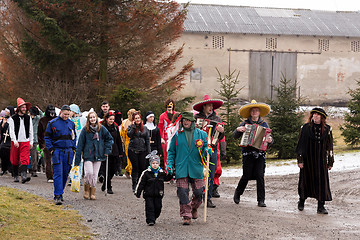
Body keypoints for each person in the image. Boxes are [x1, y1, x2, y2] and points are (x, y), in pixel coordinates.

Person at [166, 112, 210, 225]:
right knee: (182, 192)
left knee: (199, 192)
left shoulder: (202, 135)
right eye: (184, 120)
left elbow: (205, 149)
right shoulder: (177, 135)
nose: (185, 122)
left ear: (192, 122)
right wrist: (169, 164)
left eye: (188, 120)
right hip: (181, 167)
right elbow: (171, 152)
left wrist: (207, 151)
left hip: (196, 167)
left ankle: (193, 207)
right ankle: (186, 215)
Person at [233, 100, 273, 207]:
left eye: (256, 111)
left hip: (260, 154)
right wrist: (238, 130)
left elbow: (268, 139)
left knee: (260, 176)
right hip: (248, 153)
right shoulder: (245, 124)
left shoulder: (264, 124)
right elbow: (235, 136)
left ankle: (261, 200)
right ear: (250, 113)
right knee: (246, 175)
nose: (255, 112)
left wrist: (270, 141)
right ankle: (238, 193)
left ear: (259, 112)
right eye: (253, 111)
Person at [296, 107, 334, 214]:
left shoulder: (327, 129)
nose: (315, 116)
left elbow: (329, 147)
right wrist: (300, 160)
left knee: (322, 182)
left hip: (320, 160)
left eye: (318, 115)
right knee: (305, 181)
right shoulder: (305, 128)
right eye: (314, 114)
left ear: (322, 117)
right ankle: (301, 201)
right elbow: (300, 145)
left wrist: (330, 161)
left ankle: (321, 206)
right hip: (308, 159)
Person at [193, 95, 225, 208]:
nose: (211, 107)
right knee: (198, 173)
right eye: (209, 105)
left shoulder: (217, 119)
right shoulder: (196, 118)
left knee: (211, 173)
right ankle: (197, 195)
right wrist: (195, 127)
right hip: (199, 149)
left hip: (212, 149)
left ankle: (208, 197)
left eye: (212, 105)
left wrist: (221, 131)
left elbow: (220, 138)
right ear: (204, 106)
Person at [74, 111, 113, 200]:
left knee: (95, 175)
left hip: (98, 155)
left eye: (94, 117)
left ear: (96, 118)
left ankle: (92, 192)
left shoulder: (101, 129)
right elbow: (80, 144)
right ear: (88, 119)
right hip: (88, 155)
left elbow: (109, 139)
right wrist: (77, 159)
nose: (92, 119)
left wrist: (107, 149)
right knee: (89, 173)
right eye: (90, 118)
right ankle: (86, 190)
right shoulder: (85, 130)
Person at [45, 105, 77, 205]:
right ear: (60, 113)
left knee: (65, 173)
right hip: (57, 151)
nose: (66, 116)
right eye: (65, 114)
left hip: (68, 151)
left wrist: (73, 147)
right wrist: (51, 148)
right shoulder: (52, 123)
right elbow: (47, 137)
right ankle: (57, 195)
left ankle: (61, 192)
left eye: (68, 114)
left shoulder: (71, 124)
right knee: (58, 173)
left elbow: (74, 136)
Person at [135, 150, 171, 226]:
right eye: (153, 163)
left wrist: (171, 173)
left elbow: (167, 178)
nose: (155, 165)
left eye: (156, 163)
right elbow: (141, 183)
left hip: (158, 194)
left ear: (159, 164)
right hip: (148, 194)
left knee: (158, 207)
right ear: (150, 164)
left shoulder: (161, 173)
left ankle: (154, 217)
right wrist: (138, 192)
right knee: (150, 207)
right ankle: (150, 220)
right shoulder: (146, 173)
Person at [8, 98, 33, 184]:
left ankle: (24, 176)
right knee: (14, 159)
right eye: (22, 107)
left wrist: (31, 141)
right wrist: (14, 140)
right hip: (16, 141)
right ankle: (15, 175)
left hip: (25, 141)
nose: (24, 109)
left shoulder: (28, 118)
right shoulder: (13, 118)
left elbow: (31, 130)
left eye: (25, 107)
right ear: (19, 108)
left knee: (25, 158)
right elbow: (11, 131)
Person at [127, 111, 151, 192]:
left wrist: (149, 152)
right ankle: (134, 184)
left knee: (142, 168)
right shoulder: (131, 127)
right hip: (133, 150)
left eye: (138, 118)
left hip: (143, 150)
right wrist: (134, 127)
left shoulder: (145, 128)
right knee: (135, 167)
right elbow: (129, 135)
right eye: (136, 118)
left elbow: (147, 140)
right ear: (133, 120)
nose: (137, 120)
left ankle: (140, 184)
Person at [100, 111, 123, 194]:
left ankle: (105, 183)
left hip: (114, 150)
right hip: (106, 150)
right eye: (110, 119)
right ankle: (108, 186)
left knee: (114, 169)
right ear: (106, 119)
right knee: (107, 168)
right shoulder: (102, 127)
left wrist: (121, 151)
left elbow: (118, 140)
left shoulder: (115, 128)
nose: (111, 121)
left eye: (113, 119)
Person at [37, 104, 57, 183]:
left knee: (56, 160)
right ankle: (49, 176)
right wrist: (41, 145)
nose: (52, 113)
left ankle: (56, 175)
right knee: (48, 161)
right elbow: (39, 133)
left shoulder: (57, 119)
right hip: (46, 143)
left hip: (56, 142)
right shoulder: (42, 120)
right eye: (50, 112)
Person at [158, 98, 177, 173]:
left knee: (175, 155)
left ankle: (175, 173)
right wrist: (161, 138)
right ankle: (167, 172)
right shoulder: (162, 116)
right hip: (166, 138)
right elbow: (160, 128)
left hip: (174, 137)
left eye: (171, 105)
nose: (170, 107)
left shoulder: (176, 115)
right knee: (167, 155)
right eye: (168, 105)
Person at [120, 109, 137, 178]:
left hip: (134, 141)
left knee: (132, 158)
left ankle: (128, 170)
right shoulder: (125, 122)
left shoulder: (134, 121)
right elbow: (122, 134)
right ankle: (131, 171)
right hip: (128, 142)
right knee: (130, 158)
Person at [29, 106, 43, 177]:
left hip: (34, 140)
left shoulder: (37, 118)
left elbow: (43, 117)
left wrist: (39, 111)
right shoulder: (27, 118)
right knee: (24, 155)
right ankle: (22, 169)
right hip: (26, 139)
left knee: (34, 155)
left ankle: (33, 170)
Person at [0, 107, 15, 176]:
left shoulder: (13, 120)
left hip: (10, 139)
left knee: (10, 154)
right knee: (3, 152)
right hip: (4, 139)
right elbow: (1, 129)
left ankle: (11, 169)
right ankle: (4, 169)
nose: (6, 112)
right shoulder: (4, 119)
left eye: (7, 111)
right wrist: (3, 123)